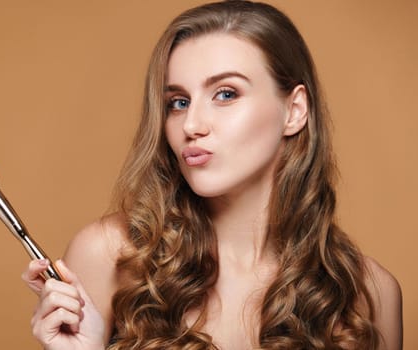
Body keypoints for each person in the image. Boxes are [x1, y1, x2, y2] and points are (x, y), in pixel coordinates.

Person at [22, 1, 403, 349]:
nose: (192, 124)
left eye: (225, 94)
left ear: (294, 111)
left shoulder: (371, 293)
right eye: (179, 102)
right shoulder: (108, 257)